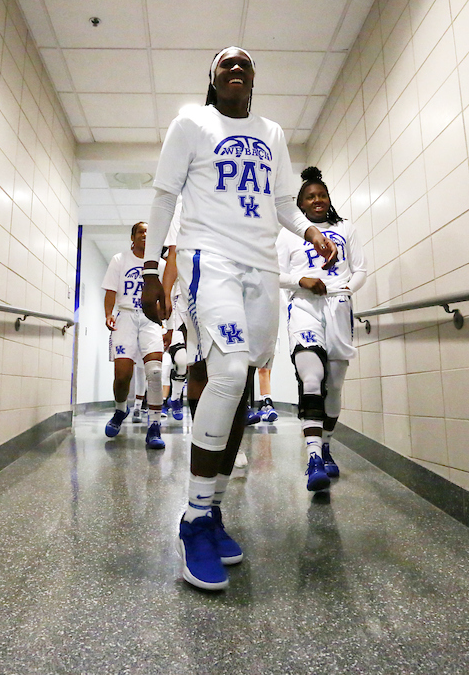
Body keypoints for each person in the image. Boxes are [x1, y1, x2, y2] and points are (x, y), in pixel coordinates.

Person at [140, 46, 338, 591]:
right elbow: (163, 197)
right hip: (211, 258)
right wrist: (154, 269)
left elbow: (281, 204)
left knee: (243, 390)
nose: (235, 68)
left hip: (260, 266)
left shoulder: (272, 133)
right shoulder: (191, 124)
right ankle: (193, 520)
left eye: (244, 64)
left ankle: (214, 507)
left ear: (253, 79)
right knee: (225, 374)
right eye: (225, 62)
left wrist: (312, 233)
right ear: (212, 78)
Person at [277, 167, 366, 491]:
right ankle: (314, 457)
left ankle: (326, 444)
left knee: (335, 386)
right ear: (301, 205)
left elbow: (361, 269)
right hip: (303, 305)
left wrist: (345, 289)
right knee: (312, 378)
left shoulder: (346, 229)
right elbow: (275, 273)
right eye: (310, 196)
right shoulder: (289, 233)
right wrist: (302, 279)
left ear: (328, 200)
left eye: (322, 195)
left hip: (339, 307)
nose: (317, 200)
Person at [102, 221, 166, 449]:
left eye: (149, 231)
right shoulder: (120, 260)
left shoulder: (161, 264)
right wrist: (109, 313)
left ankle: (154, 427)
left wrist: (166, 324)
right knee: (122, 375)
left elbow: (166, 296)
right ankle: (121, 410)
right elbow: (111, 290)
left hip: (150, 318)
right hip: (126, 316)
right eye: (141, 231)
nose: (145, 235)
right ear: (133, 236)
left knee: (155, 372)